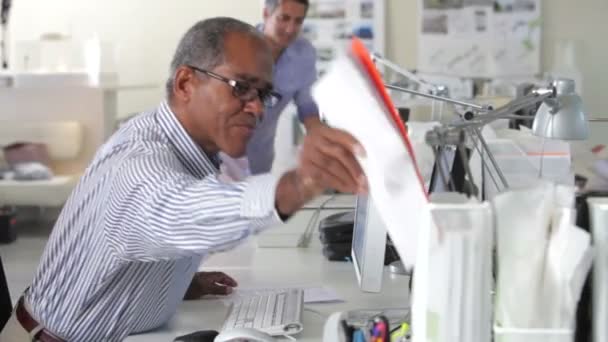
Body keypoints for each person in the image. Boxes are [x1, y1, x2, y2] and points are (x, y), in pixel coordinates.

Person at [0, 17, 366, 341]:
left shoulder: (190, 152)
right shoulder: (138, 164)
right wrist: (299, 184)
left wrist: (176, 282)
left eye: (264, 94)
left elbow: (152, 234)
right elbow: (179, 209)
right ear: (186, 83)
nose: (256, 108)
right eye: (241, 87)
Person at [221, 0, 322, 177]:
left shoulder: (304, 54)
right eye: (284, 18)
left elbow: (307, 107)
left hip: (261, 160)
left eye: (298, 21)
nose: (290, 29)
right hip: (222, 158)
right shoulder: (237, 48)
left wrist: (322, 141)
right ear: (266, 14)